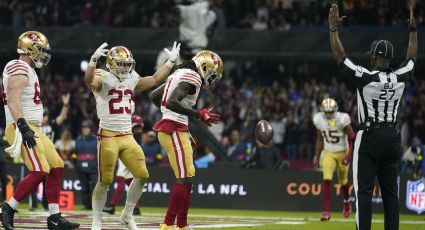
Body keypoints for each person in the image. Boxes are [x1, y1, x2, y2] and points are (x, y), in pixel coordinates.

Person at [328, 4, 417, 230]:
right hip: (392, 137)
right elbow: (411, 60)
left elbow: (340, 57)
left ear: (375, 56)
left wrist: (333, 30)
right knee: (391, 194)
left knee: (364, 192)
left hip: (368, 137)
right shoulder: (399, 78)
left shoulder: (366, 77)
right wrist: (413, 33)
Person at [85, 41, 180, 230]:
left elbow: (153, 79)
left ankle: (127, 215)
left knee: (142, 175)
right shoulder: (101, 76)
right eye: (121, 64)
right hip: (108, 136)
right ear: (111, 63)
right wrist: (92, 62)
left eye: (127, 64)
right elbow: (89, 81)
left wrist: (170, 62)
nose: (125, 67)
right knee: (105, 180)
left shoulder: (131, 78)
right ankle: (96, 220)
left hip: (127, 135)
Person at [1, 31, 79, 230]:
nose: (44, 54)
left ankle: (54, 217)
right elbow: (13, 97)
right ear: (30, 49)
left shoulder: (29, 68)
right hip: (20, 126)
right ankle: (7, 209)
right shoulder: (18, 66)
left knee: (57, 166)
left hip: (33, 127)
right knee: (39, 169)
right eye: (41, 50)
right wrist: (22, 125)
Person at [150, 50, 223, 230]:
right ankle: (168, 224)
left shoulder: (179, 73)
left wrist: (169, 114)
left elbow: (154, 97)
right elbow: (172, 101)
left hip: (175, 127)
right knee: (184, 179)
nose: (213, 77)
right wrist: (198, 114)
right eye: (212, 72)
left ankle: (182, 225)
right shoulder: (193, 77)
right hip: (173, 128)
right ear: (204, 67)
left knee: (188, 179)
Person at [312, 98, 355, 221]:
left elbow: (353, 138)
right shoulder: (319, 119)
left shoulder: (342, 119)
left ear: (335, 111)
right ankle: (326, 211)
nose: (329, 114)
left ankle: (347, 201)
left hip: (342, 151)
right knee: (326, 179)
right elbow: (320, 140)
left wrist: (348, 155)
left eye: (331, 112)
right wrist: (317, 156)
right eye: (327, 112)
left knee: (343, 181)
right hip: (328, 152)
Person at [30, 93, 70, 212]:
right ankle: (33, 205)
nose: (45, 118)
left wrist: (66, 104)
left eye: (46, 115)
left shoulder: (52, 125)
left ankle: (46, 204)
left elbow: (62, 117)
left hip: (48, 156)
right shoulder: (33, 126)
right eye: (43, 115)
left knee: (48, 181)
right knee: (34, 180)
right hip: (36, 155)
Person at [103, 115, 144, 216]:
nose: (139, 129)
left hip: (127, 154)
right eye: (137, 127)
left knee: (121, 180)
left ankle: (112, 206)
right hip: (133, 154)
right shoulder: (134, 134)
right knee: (130, 182)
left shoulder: (129, 133)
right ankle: (136, 208)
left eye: (139, 127)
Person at [74, 120, 98, 210]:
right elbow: (74, 153)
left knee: (95, 187)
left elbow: (100, 154)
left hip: (94, 168)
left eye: (87, 128)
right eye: (83, 128)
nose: (84, 130)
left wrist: (98, 164)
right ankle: (86, 205)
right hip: (81, 168)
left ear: (91, 129)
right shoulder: (78, 139)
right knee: (84, 188)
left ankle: (95, 205)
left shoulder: (96, 140)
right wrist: (74, 162)